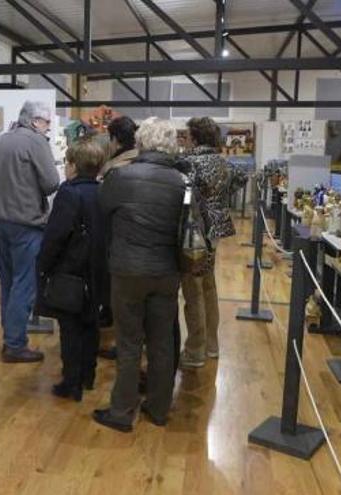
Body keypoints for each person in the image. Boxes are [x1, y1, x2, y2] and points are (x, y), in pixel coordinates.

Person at [93, 118, 186, 432]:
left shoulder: (120, 176)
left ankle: (121, 411)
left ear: (141, 142)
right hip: (167, 269)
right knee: (162, 342)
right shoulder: (181, 181)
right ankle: (159, 408)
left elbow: (102, 211)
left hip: (127, 269)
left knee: (129, 342)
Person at [0, 101, 59, 363]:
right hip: (25, 223)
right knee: (24, 285)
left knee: (9, 283)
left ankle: (10, 338)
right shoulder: (37, 142)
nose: (48, 128)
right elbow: (51, 183)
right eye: (47, 123)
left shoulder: (2, 140)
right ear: (36, 121)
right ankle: (15, 344)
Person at [34, 137, 109, 401]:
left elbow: (56, 235)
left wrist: (43, 265)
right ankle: (88, 376)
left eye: (67, 162)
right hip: (97, 270)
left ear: (74, 165)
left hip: (71, 271)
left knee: (71, 329)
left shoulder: (69, 192)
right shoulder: (103, 190)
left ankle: (71, 382)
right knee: (91, 325)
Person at [179, 117, 248, 368]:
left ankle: (195, 350)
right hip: (216, 229)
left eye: (186, 136)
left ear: (195, 137)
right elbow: (241, 178)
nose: (184, 140)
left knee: (193, 288)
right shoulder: (223, 162)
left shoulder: (188, 163)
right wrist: (220, 200)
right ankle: (211, 345)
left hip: (194, 230)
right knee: (208, 285)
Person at [97, 115, 139, 361]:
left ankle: (125, 349)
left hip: (120, 236)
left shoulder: (117, 168)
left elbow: (106, 204)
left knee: (124, 296)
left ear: (114, 138)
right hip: (142, 239)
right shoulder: (138, 161)